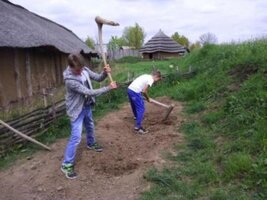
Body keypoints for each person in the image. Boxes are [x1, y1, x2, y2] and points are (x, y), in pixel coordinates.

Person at [61, 52, 117, 179]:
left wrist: (104, 72)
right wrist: (108, 88)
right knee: (76, 137)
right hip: (76, 110)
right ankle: (66, 164)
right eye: (78, 70)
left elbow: (97, 78)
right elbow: (89, 92)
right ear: (71, 67)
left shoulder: (84, 70)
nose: (80, 71)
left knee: (90, 126)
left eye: (81, 68)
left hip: (86, 105)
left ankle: (91, 143)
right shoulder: (70, 80)